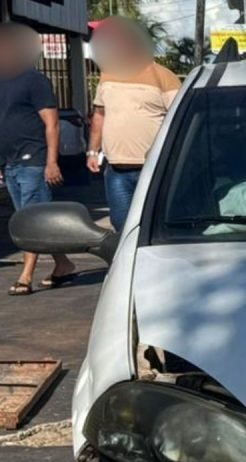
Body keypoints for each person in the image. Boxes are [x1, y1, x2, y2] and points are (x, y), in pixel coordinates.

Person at [87, 16, 180, 232]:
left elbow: (177, 119)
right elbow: (100, 115)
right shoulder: (107, 75)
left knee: (155, 227)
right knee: (122, 226)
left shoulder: (163, 77)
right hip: (116, 170)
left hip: (154, 169)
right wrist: (93, 151)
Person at [0, 22, 72, 296]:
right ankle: (63, 263)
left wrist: (52, 162)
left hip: (34, 161)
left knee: (29, 221)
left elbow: (52, 124)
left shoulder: (35, 81)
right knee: (34, 219)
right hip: (12, 163)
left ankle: (26, 276)